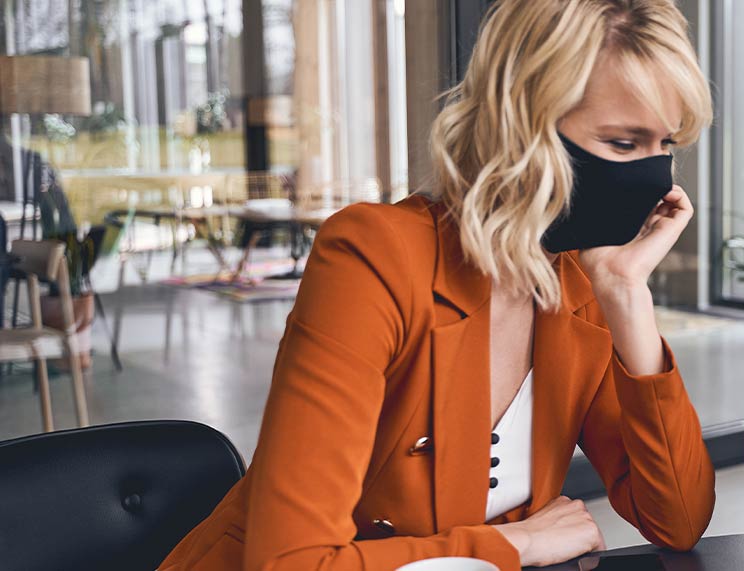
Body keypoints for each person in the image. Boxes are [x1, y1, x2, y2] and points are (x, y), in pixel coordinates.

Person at [159, 1, 714, 569]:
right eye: (623, 144)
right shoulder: (374, 257)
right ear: (520, 125)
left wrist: (627, 294)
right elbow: (292, 562)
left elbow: (678, 519)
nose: (654, 176)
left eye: (665, 145)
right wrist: (513, 545)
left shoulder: (584, 284)